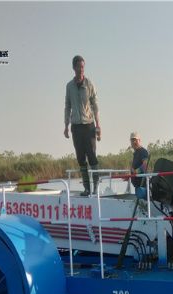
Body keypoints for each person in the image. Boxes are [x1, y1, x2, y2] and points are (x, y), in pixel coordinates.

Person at [64, 55, 101, 196]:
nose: (81, 69)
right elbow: (67, 106)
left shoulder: (89, 84)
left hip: (88, 125)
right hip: (76, 126)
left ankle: (96, 187)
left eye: (83, 67)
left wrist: (98, 125)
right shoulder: (69, 86)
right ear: (74, 68)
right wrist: (66, 125)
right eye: (79, 67)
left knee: (92, 156)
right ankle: (87, 188)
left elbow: (95, 105)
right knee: (81, 158)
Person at [129, 132, 149, 198]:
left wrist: (135, 171)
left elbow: (145, 165)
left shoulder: (143, 151)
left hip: (142, 185)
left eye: (135, 140)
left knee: (143, 201)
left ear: (139, 140)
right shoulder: (135, 153)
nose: (134, 142)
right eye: (132, 140)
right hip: (137, 185)